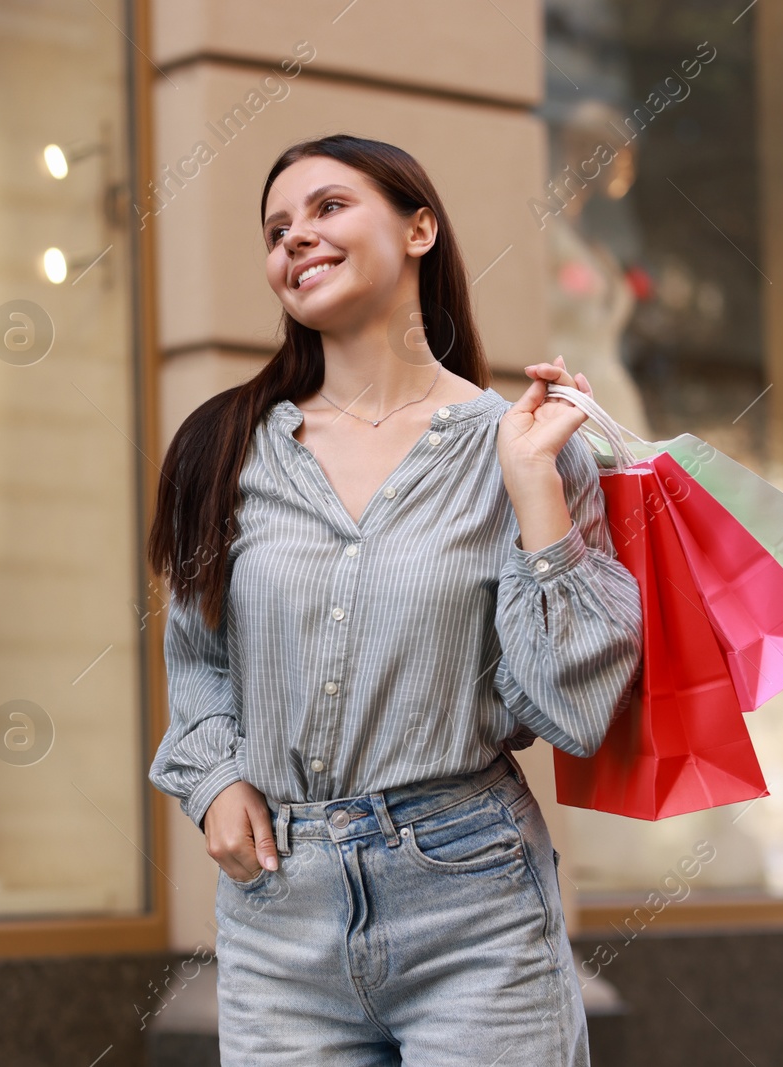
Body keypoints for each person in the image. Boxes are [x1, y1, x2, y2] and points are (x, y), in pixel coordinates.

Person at [147, 134, 644, 1065]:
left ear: (420, 228)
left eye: (328, 208)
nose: (296, 238)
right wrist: (214, 780)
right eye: (277, 229)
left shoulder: (525, 443)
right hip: (276, 913)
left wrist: (535, 488)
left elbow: (571, 708)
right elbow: (199, 660)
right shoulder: (223, 447)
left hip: (473, 904)